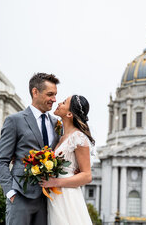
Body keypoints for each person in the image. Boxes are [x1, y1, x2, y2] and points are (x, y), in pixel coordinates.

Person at [0, 73, 61, 225]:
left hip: (48, 200)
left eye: (55, 95)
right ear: (35, 92)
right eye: (50, 94)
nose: (54, 99)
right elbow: (1, 161)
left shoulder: (57, 124)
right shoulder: (15, 120)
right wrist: (10, 192)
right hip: (20, 196)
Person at [39, 94, 94, 225]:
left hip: (67, 196)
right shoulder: (61, 136)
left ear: (69, 114)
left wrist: (54, 182)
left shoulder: (78, 137)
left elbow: (87, 176)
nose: (58, 103)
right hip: (55, 194)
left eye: (63, 102)